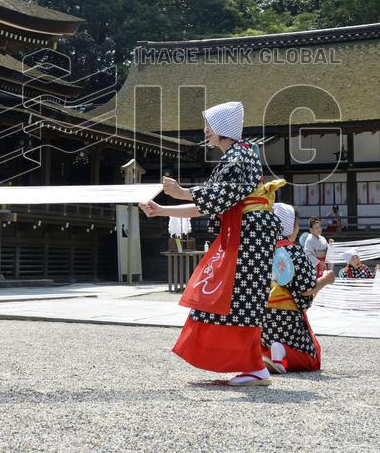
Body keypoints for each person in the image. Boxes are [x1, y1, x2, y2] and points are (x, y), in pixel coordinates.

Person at [139, 101, 284, 386]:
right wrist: (162, 210)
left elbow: (217, 197)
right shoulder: (239, 154)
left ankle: (255, 366)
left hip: (249, 234)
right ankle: (253, 363)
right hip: (245, 232)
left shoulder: (240, 155)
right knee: (232, 297)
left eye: (209, 126)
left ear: (221, 128)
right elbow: (211, 203)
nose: (205, 131)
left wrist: (182, 192)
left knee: (238, 297)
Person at [261, 203, 335, 374]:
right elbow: (306, 289)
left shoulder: (260, 248)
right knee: (311, 358)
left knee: (264, 343)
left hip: (260, 320)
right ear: (290, 227)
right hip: (286, 319)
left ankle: (266, 354)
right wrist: (325, 280)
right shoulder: (294, 252)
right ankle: (281, 350)